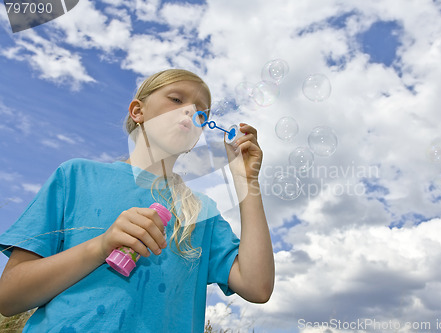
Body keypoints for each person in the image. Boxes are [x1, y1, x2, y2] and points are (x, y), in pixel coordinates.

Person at [0, 69, 274, 332]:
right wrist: (100, 246)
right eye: (177, 99)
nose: (192, 111)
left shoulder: (202, 211)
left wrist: (245, 179)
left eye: (202, 113)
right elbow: (10, 297)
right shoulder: (77, 176)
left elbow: (257, 286)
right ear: (138, 111)